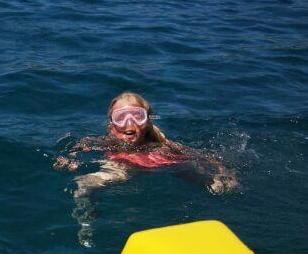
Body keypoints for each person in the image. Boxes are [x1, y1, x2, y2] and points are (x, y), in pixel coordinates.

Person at [54, 92, 238, 245]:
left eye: (137, 116)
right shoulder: (104, 141)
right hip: (124, 167)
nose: (130, 123)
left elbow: (197, 155)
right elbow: (79, 145)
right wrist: (70, 158)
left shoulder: (162, 145)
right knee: (83, 185)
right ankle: (86, 223)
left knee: (218, 186)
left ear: (147, 122)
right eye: (121, 117)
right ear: (111, 125)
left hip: (164, 163)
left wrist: (221, 170)